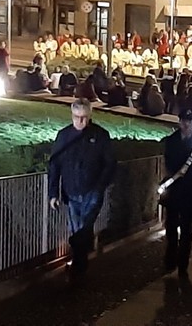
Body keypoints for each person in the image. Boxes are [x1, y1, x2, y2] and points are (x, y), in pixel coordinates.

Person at [47, 99, 117, 280]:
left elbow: (109, 164)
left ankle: (78, 267)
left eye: (85, 118)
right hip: (71, 192)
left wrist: (100, 185)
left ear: (90, 116)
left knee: (84, 227)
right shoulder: (64, 136)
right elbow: (54, 165)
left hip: (92, 190)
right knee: (77, 230)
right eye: (77, 117)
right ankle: (80, 264)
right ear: (72, 116)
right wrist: (53, 193)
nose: (81, 122)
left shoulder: (100, 135)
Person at [160, 109, 192, 276]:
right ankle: (170, 258)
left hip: (190, 189)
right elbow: (167, 163)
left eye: (189, 121)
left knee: (187, 228)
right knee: (171, 226)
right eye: (183, 120)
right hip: (173, 189)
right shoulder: (171, 141)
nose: (186, 124)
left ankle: (183, 260)